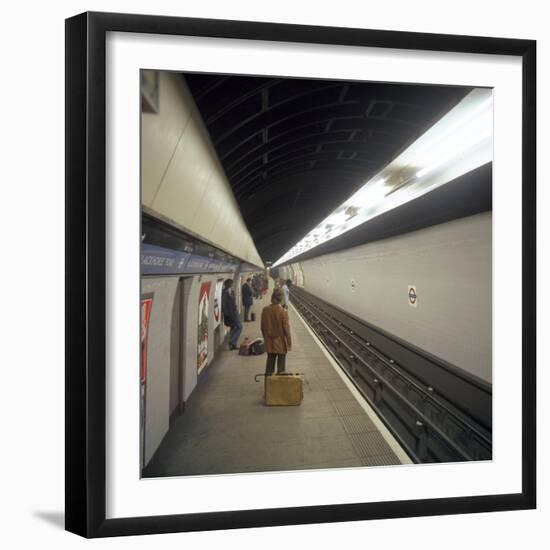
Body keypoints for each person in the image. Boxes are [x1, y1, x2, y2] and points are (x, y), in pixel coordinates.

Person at [261, 289, 292, 375]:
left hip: (269, 341)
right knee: (281, 366)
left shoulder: (265, 310)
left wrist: (266, 338)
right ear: (281, 299)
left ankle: (268, 383)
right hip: (280, 342)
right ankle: (279, 384)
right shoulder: (283, 311)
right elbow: (286, 329)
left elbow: (262, 327)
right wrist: (289, 342)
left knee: (270, 363)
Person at [221, 278, 242, 350]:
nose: (231, 285)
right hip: (231, 314)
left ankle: (233, 344)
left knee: (233, 327)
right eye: (230, 284)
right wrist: (228, 314)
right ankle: (232, 342)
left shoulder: (231, 292)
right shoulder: (224, 293)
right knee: (239, 327)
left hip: (234, 312)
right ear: (227, 284)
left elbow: (233, 301)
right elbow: (223, 305)